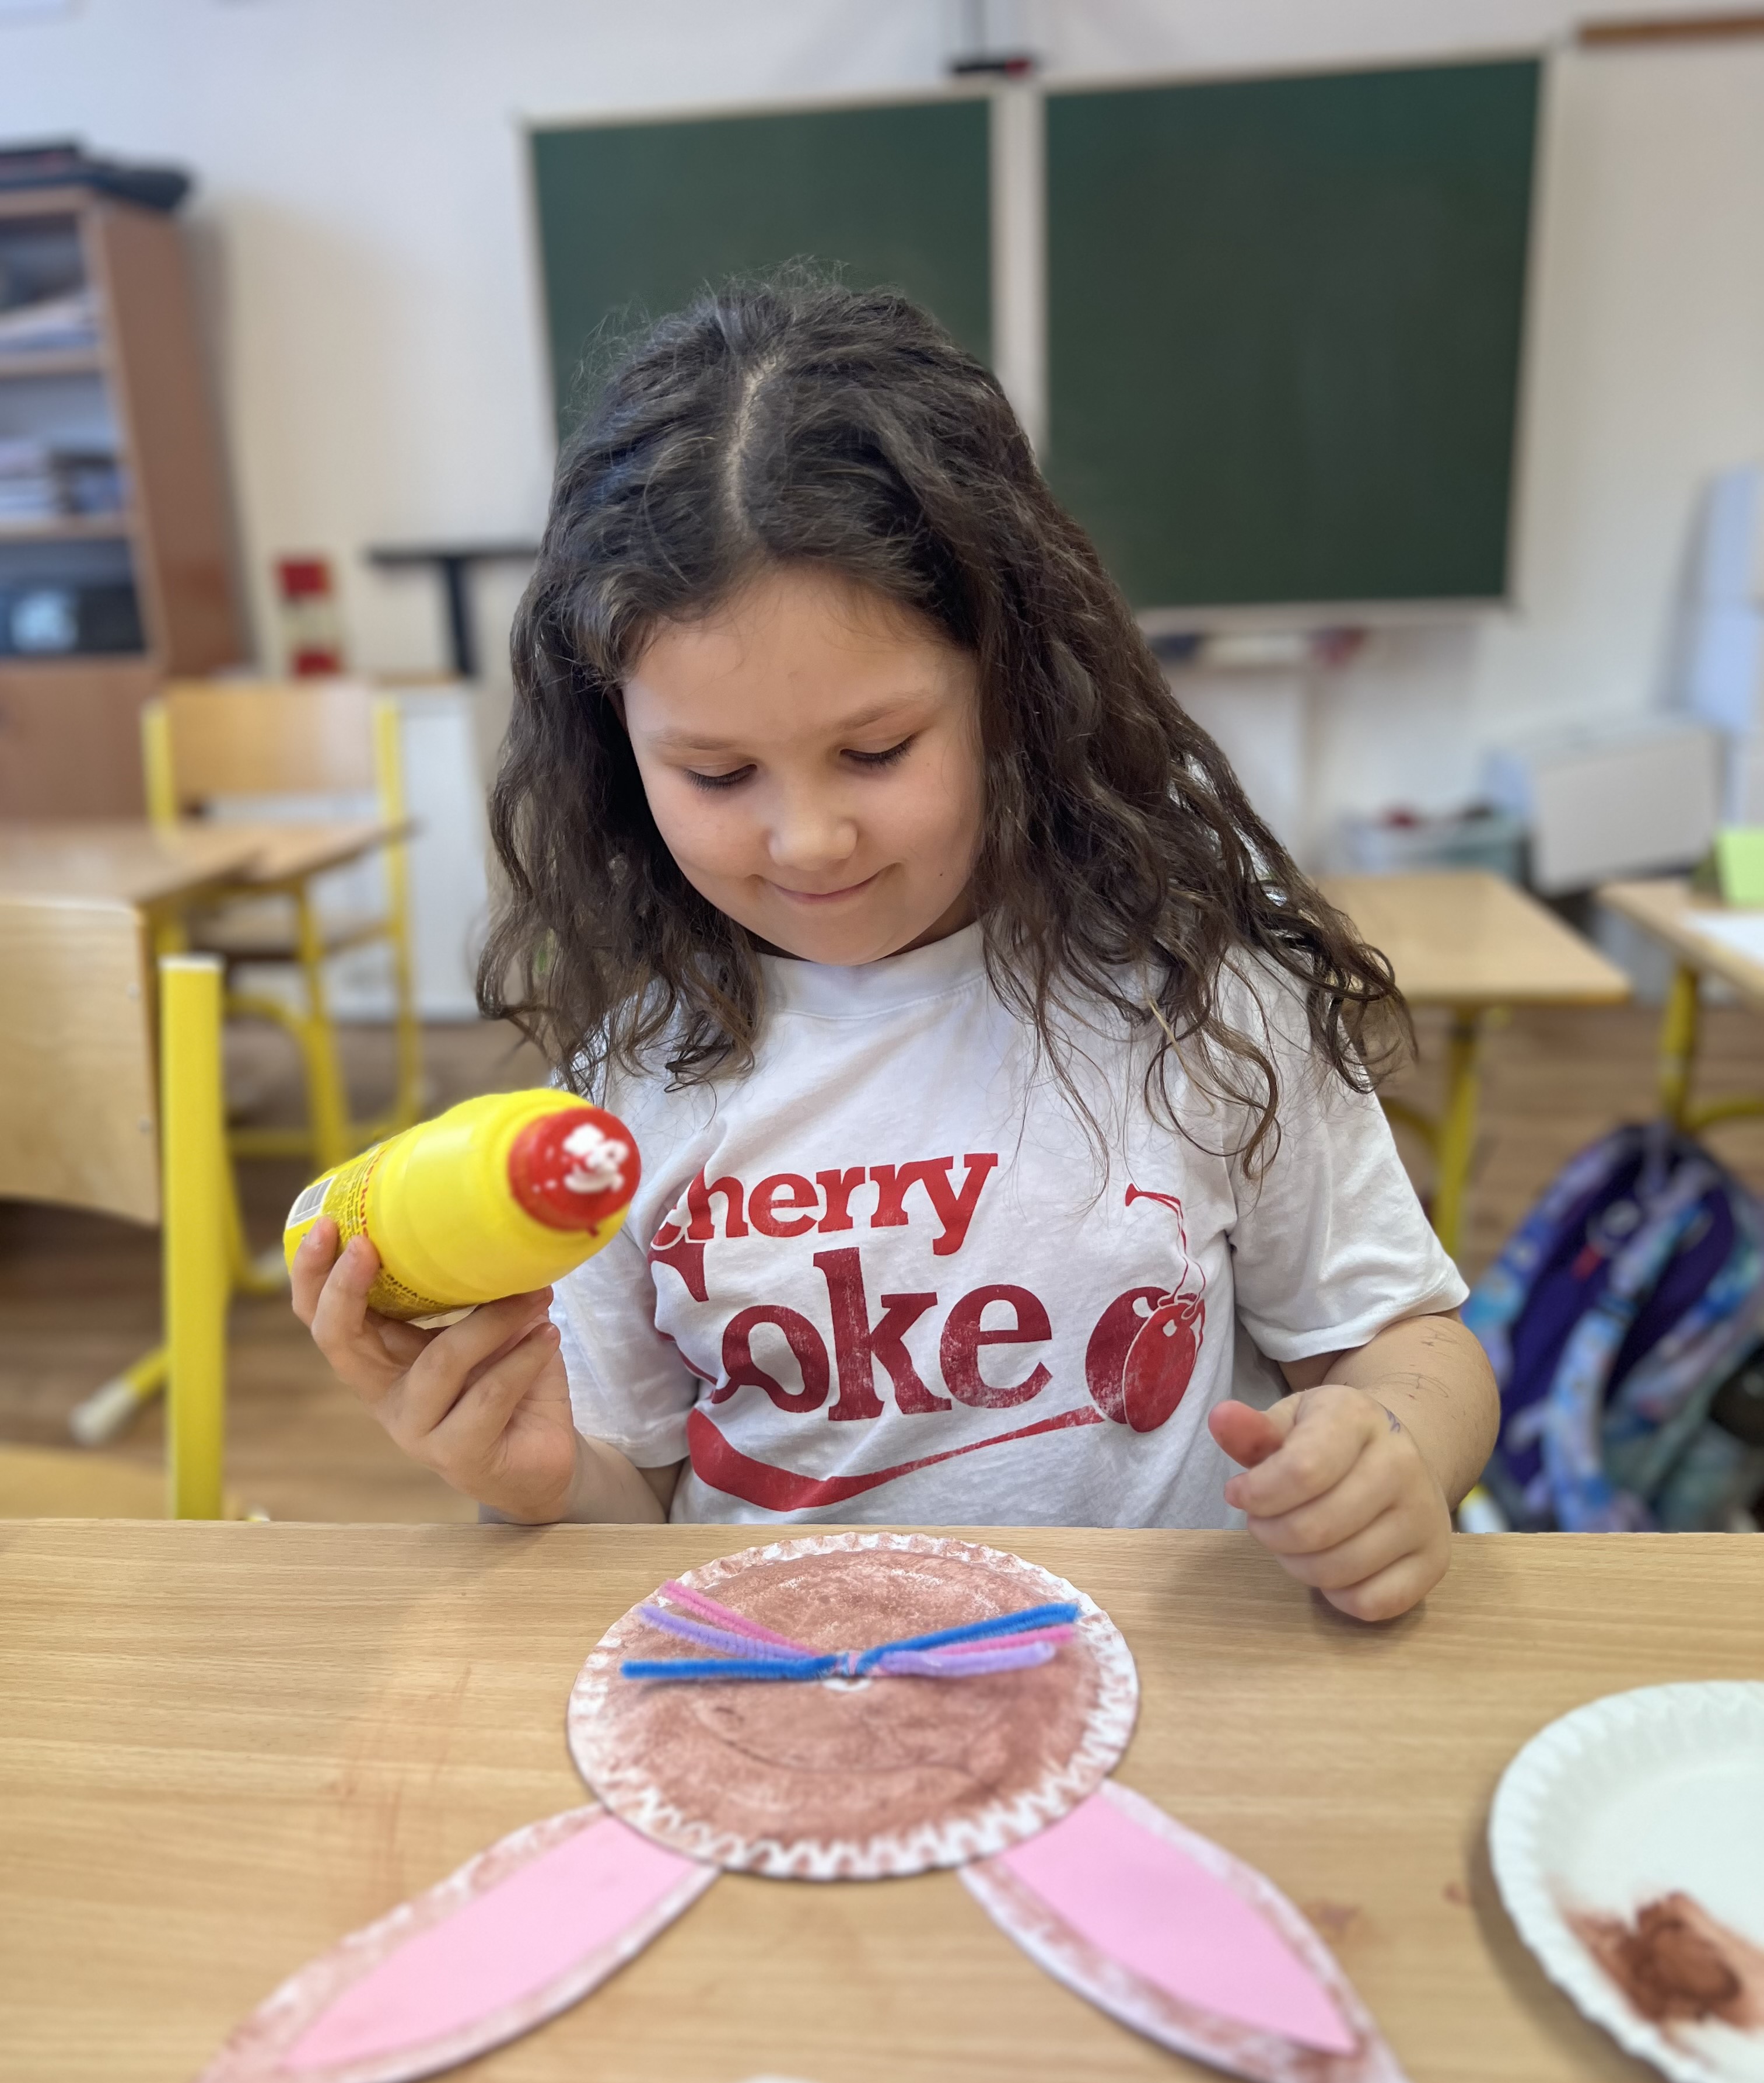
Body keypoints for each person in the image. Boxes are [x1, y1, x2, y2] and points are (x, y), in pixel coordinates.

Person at [293, 277, 1497, 1621]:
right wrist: (541, 1482)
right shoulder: (627, 1090)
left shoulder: (1198, 1002)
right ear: (616, 750)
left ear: (1013, 688)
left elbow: (1402, 1338)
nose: (808, 840)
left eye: (876, 751)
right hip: (781, 1691)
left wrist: (1396, 1448)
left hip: (1158, 1687)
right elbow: (630, 1502)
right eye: (716, 773)